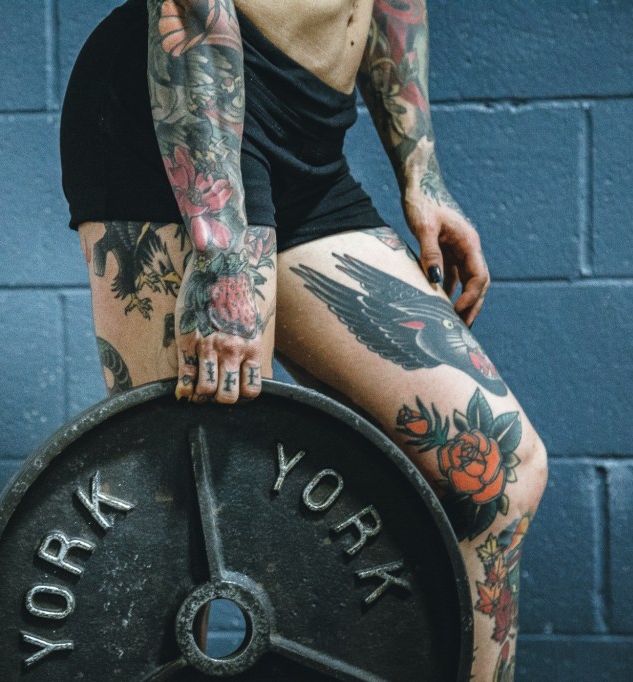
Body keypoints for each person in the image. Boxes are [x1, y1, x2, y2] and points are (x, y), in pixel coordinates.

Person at [60, 1, 548, 678]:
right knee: (174, 517)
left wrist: (422, 172)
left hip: (310, 132)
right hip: (187, 103)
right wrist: (223, 250)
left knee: (503, 470)